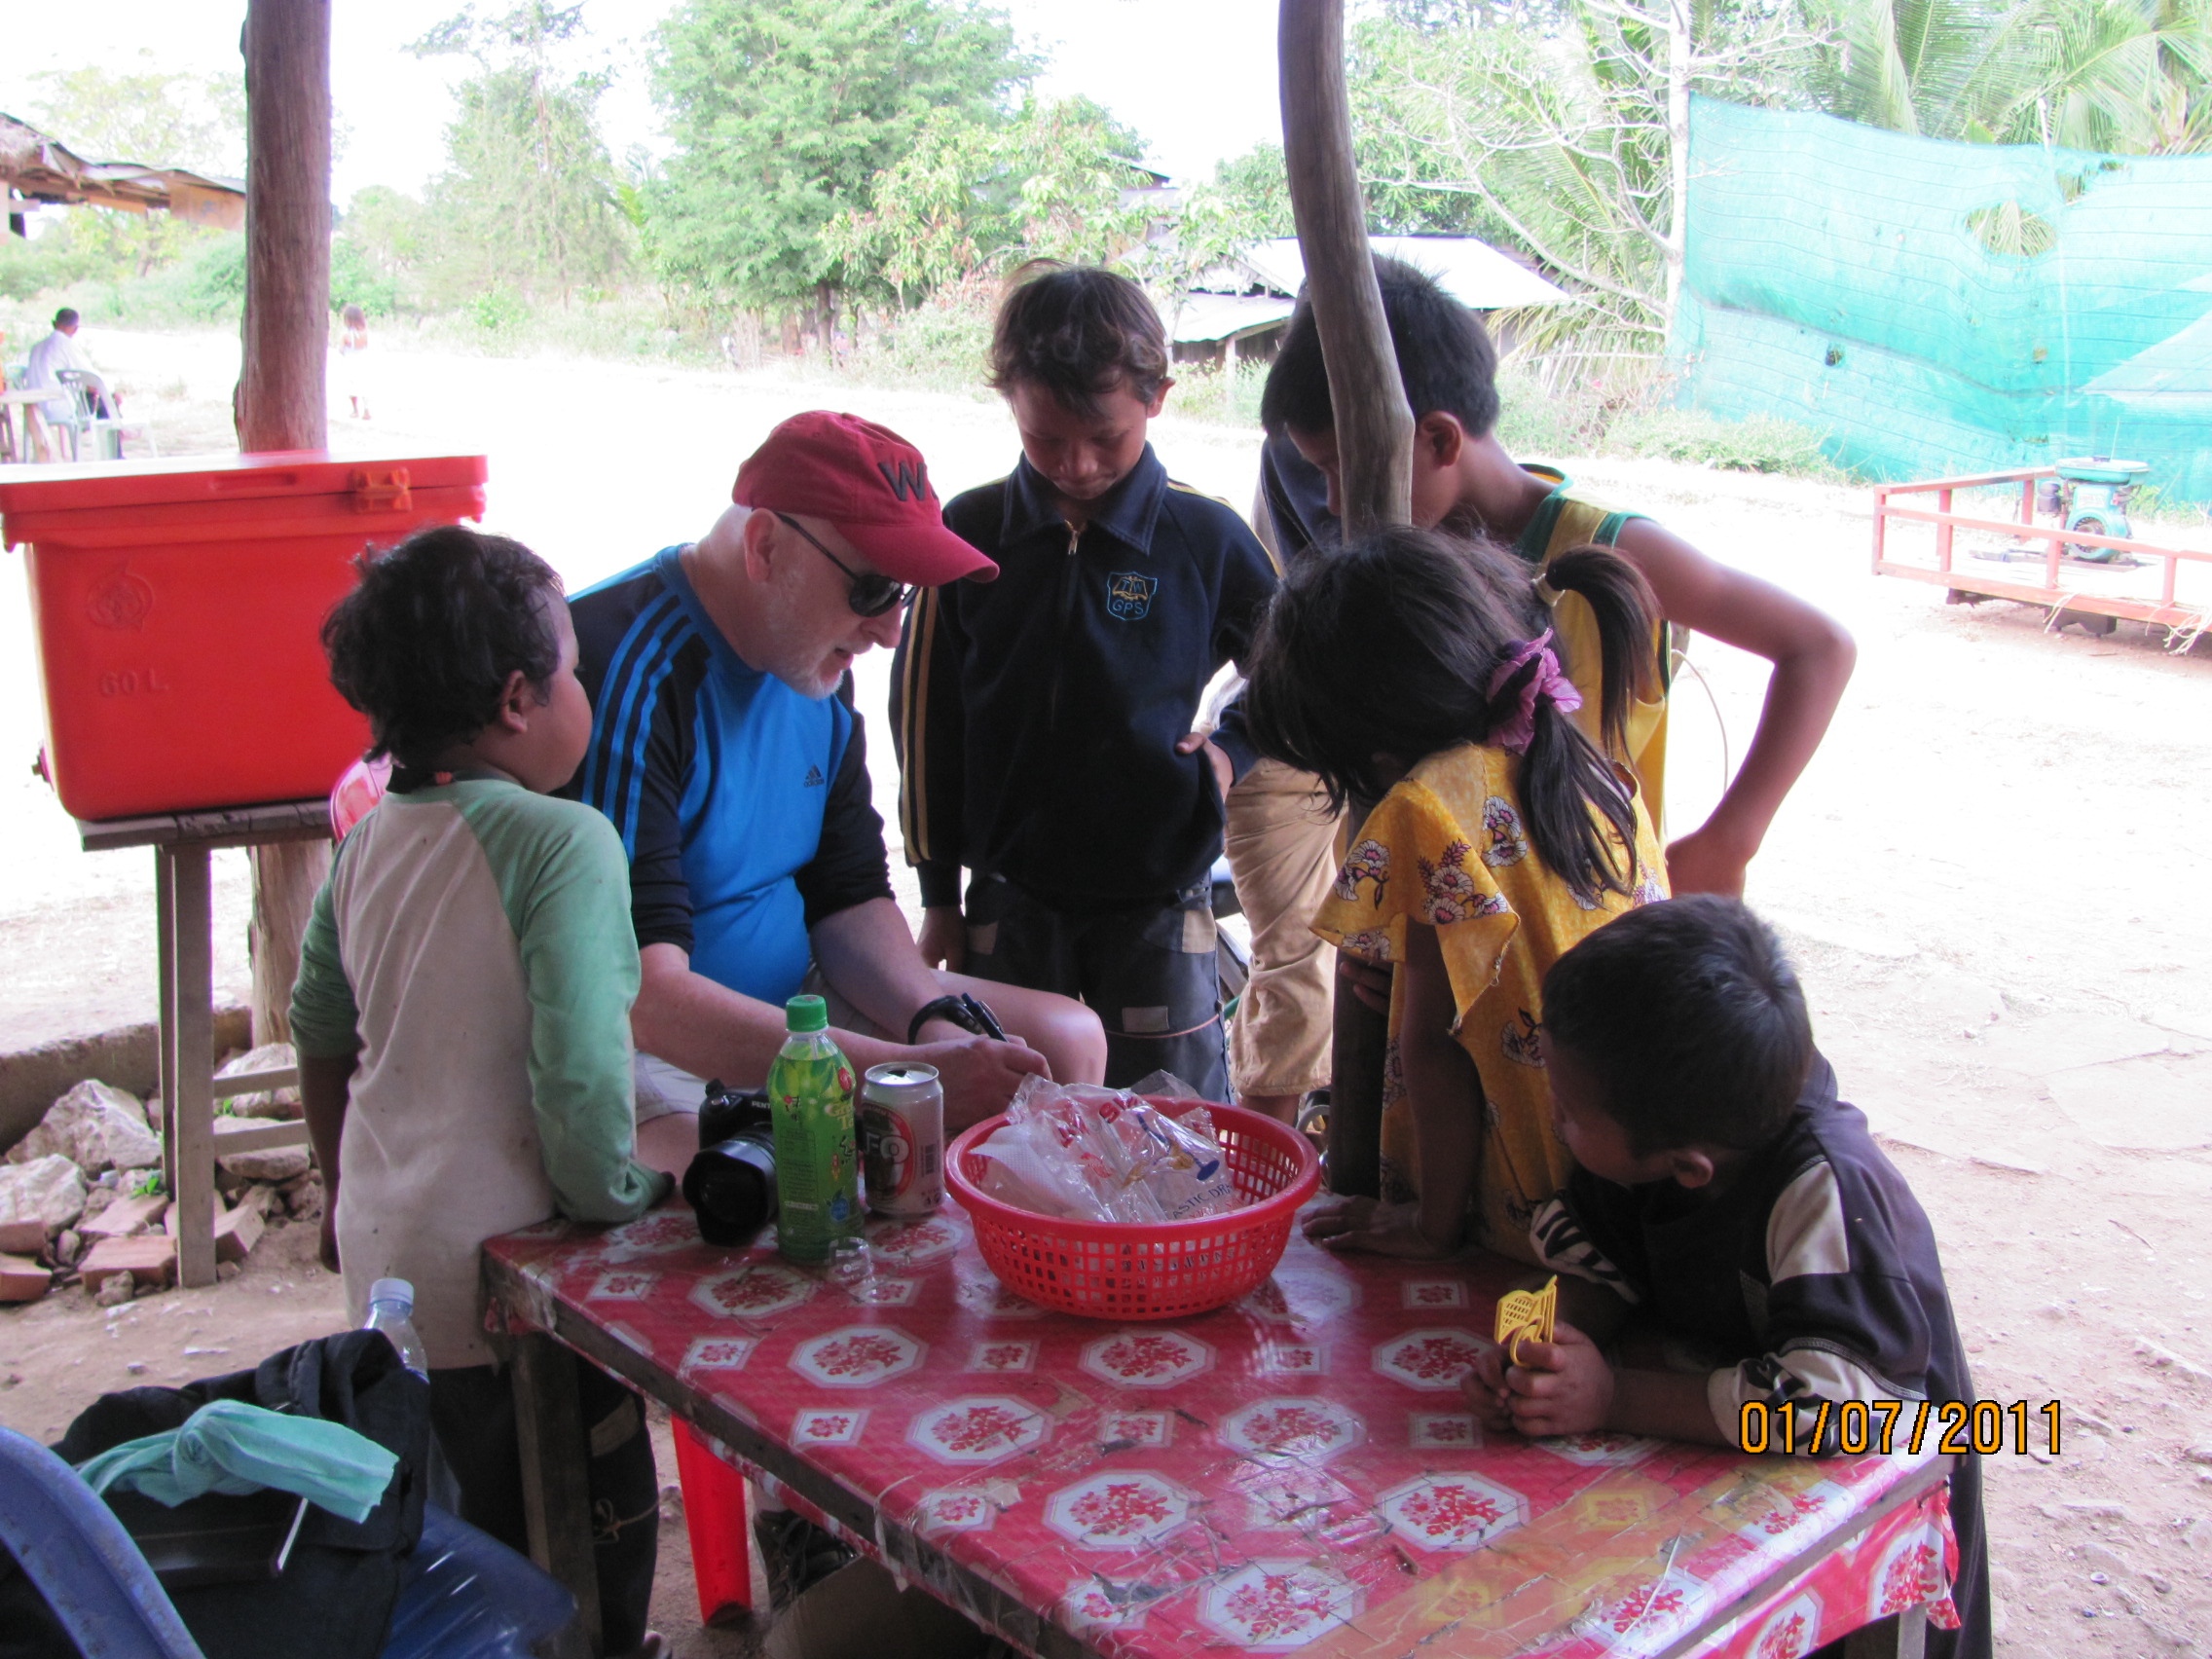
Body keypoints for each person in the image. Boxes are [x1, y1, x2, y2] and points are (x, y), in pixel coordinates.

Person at [292, 525, 672, 1659]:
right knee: (588, 1534)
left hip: (387, 1262)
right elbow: (578, 1066)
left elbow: (322, 1031)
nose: (583, 692)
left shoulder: (367, 842)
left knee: (461, 1536)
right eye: (574, 671)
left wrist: (333, 1189)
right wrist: (619, 1190)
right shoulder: (564, 843)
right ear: (519, 698)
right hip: (511, 1270)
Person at [568, 410, 1107, 1172]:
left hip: (800, 1005)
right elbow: (644, 1000)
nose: (889, 632)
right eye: (874, 588)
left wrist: (931, 1026)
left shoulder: (808, 657)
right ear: (765, 547)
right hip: (653, 1043)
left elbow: (847, 893)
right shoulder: (630, 673)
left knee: (1069, 1038)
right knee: (786, 1178)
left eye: (907, 598)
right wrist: (887, 1077)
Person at [1468, 896, 1989, 1659]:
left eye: (1567, 1112)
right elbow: (1599, 1266)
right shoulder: (1665, 1122)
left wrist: (1613, 1396)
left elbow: (1825, 1412)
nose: (1552, 1120)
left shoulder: (1826, 1191)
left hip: (1879, 1468)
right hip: (1730, 1430)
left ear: (1688, 1168)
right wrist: (1547, 1349)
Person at [1260, 257, 1856, 894]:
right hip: (1451, 933)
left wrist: (1731, 838)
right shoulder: (1397, 576)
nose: (1333, 503)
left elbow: (1819, 646)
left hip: (1590, 925)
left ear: (1436, 440)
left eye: (1339, 469)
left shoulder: (1611, 548)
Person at [892, 265, 1282, 1101]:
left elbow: (1296, 671)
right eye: (1043, 439)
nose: (1075, 464)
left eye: (1104, 438)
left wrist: (1231, 753)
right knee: (1008, 1113)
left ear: (1157, 397)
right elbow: (927, 722)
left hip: (1156, 895)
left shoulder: (1203, 537)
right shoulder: (968, 532)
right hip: (1008, 895)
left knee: (1171, 1126)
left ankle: (1167, 1244)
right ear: (1012, 406)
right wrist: (938, 893)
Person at [1245, 525, 1668, 1261]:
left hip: (1533, 1212)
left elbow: (1436, 1050)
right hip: (1635, 1192)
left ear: (1373, 747)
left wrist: (1427, 1227)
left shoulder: (1426, 808)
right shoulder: (1583, 759)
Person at [24, 306, 110, 428]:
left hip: (33, 408)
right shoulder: (66, 345)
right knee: (106, 396)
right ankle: (112, 438)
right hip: (58, 407)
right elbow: (92, 378)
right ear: (75, 329)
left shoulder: (36, 347)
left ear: (54, 324)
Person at [336, 302, 372, 420]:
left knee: (352, 387)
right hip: (364, 362)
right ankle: (366, 410)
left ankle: (355, 410)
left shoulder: (346, 335)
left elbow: (341, 350)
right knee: (364, 386)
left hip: (350, 362)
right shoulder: (366, 333)